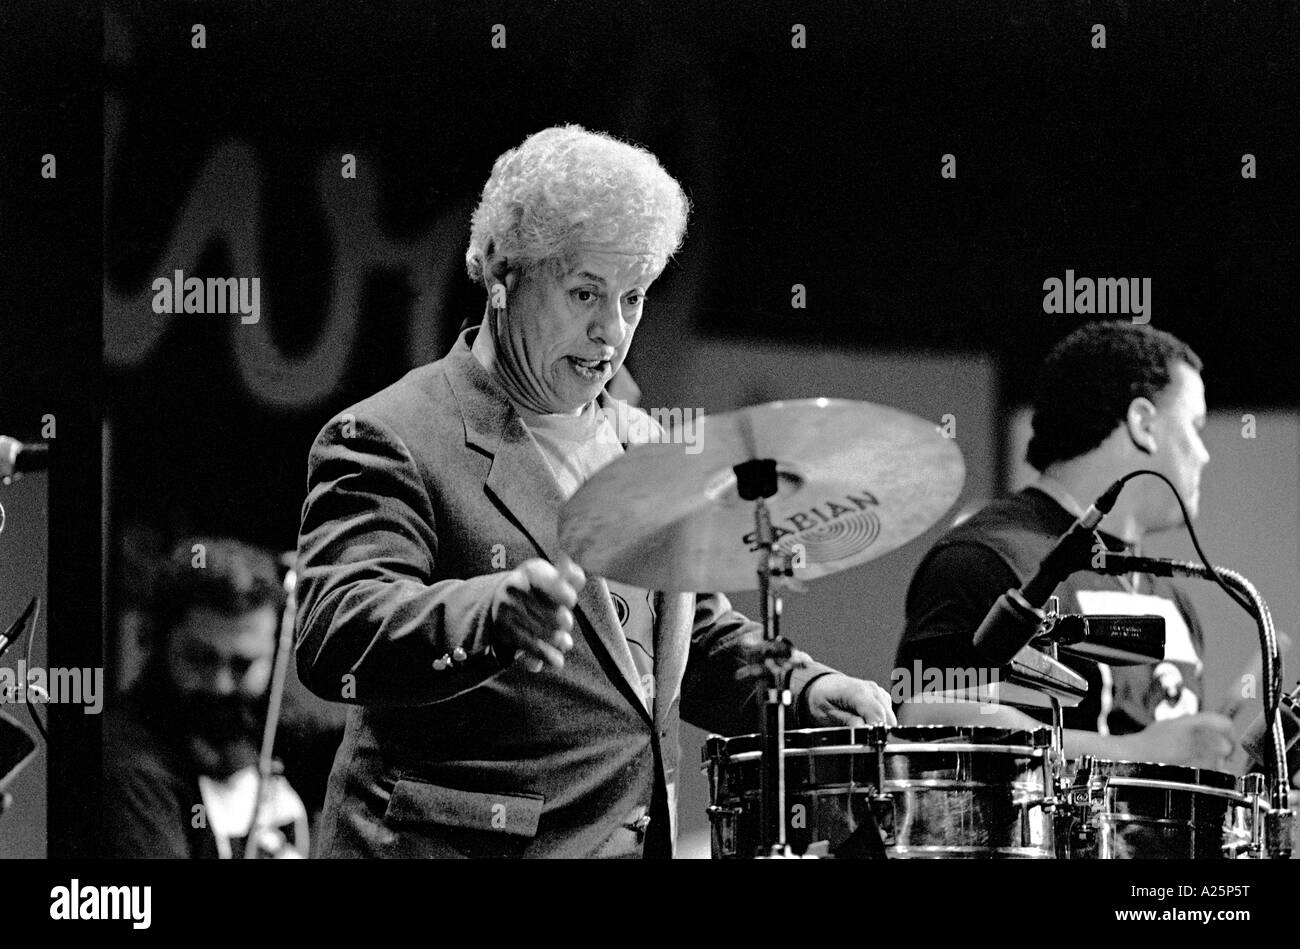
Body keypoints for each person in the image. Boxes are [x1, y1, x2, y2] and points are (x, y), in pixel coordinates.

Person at [294, 124, 895, 858]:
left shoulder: (646, 444)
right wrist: (490, 611)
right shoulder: (389, 435)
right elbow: (337, 632)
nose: (612, 330)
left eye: (633, 296)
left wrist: (801, 689)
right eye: (586, 292)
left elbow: (688, 643)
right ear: (503, 277)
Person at [894, 321, 1237, 769]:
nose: (1204, 453)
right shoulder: (987, 558)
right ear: (1143, 423)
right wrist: (1134, 753)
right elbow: (926, 721)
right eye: (1194, 426)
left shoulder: (1172, 597)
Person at [103, 537, 313, 858]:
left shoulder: (274, 723)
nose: (221, 685)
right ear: (158, 646)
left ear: (276, 654)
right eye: (199, 658)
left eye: (243, 665)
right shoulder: (131, 770)